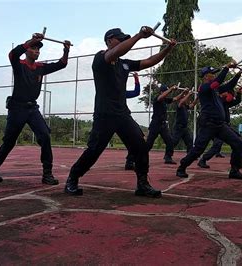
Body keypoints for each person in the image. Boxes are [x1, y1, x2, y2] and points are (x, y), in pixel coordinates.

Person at [64, 27, 177, 197]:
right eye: (120, 39)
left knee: (140, 146)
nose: (123, 41)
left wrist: (168, 49)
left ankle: (142, 184)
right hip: (105, 114)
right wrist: (139, 36)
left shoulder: (124, 64)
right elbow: (114, 53)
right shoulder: (101, 58)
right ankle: (72, 178)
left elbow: (149, 61)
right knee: (94, 150)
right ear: (109, 41)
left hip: (123, 114)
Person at [0, 33, 71, 184]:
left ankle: (47, 174)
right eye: (34, 48)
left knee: (45, 136)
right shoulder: (19, 65)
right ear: (27, 50)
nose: (37, 51)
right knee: (9, 142)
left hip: (33, 109)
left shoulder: (40, 67)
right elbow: (12, 54)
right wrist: (31, 41)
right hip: (17, 109)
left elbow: (62, 64)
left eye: (38, 49)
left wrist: (66, 50)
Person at [176, 63, 242, 180]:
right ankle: (182, 167)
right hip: (208, 124)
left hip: (220, 125)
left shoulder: (215, 89)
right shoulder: (204, 88)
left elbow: (229, 85)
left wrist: (238, 74)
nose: (213, 76)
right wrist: (226, 68)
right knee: (198, 149)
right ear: (205, 76)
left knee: (238, 143)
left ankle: (234, 171)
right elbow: (218, 82)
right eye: (211, 74)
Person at [125, 83, 178, 170]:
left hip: (163, 125)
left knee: (169, 142)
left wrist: (185, 93)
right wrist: (171, 89)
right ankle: (132, 159)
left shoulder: (165, 100)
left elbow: (175, 99)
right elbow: (161, 97)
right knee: (148, 144)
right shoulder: (157, 98)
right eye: (165, 91)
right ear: (161, 91)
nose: (167, 93)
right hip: (155, 124)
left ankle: (168, 157)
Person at [197, 85, 242, 169]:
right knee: (217, 144)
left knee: (238, 140)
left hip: (226, 126)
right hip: (218, 126)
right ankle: (203, 159)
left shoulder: (226, 103)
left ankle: (239, 162)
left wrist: (238, 93)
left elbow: (236, 101)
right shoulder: (217, 101)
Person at [170, 88, 198, 156]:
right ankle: (168, 155)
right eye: (183, 98)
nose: (186, 100)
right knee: (174, 142)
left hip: (184, 128)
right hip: (178, 127)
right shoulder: (179, 106)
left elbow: (193, 104)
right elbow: (182, 101)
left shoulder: (185, 107)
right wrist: (189, 94)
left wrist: (198, 97)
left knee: (189, 141)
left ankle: (190, 155)